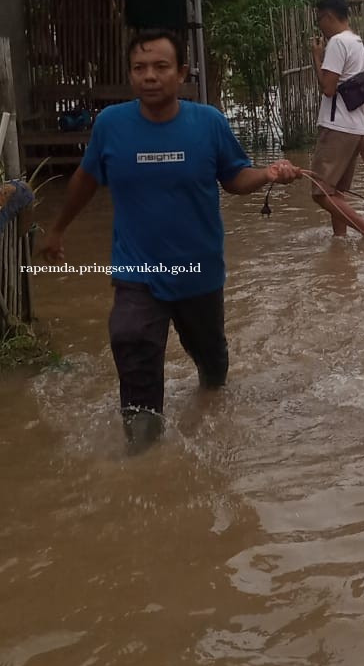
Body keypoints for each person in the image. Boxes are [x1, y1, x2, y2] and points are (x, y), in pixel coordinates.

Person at [42, 29, 301, 450]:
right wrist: (56, 229)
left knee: (212, 365)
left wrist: (268, 174)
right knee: (130, 339)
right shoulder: (111, 125)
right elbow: (86, 180)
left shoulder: (209, 123)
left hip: (199, 271)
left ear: (181, 72)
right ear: (130, 75)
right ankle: (143, 455)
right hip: (138, 270)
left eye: (161, 67)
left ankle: (212, 407)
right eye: (139, 68)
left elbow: (235, 177)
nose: (150, 76)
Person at [310, 0, 364, 238]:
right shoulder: (362, 46)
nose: (320, 26)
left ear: (328, 17)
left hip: (337, 128)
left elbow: (327, 88)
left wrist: (317, 57)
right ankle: (339, 241)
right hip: (356, 130)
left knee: (320, 191)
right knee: (337, 192)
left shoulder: (337, 43)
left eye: (320, 20)